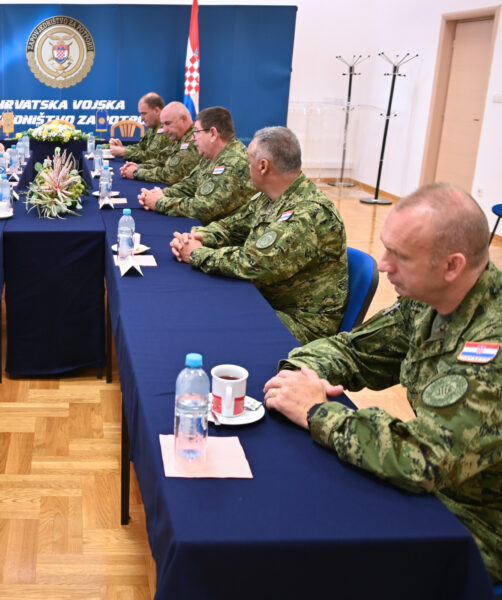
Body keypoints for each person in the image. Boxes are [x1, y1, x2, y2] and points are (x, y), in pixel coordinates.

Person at [263, 183, 502, 583]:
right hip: (431, 489)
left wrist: (317, 410)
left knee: (312, 550)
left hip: (475, 525)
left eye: (400, 256)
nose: (385, 264)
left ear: (452, 266)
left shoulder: (492, 344)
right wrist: (302, 372)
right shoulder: (428, 301)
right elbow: (355, 351)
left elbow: (422, 458)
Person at [171, 126, 347, 343]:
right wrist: (199, 237)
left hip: (298, 324)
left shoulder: (308, 213)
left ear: (263, 166)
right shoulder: (269, 197)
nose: (247, 167)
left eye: (249, 161)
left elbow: (254, 265)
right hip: (264, 299)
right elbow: (231, 227)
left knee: (210, 321)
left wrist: (197, 254)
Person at [138, 106, 256, 226]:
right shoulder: (212, 155)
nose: (192, 138)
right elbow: (189, 185)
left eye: (196, 132)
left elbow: (205, 209)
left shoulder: (234, 162)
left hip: (221, 232)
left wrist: (160, 202)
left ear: (213, 133)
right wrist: (160, 194)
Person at [120, 102, 200, 185]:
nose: (164, 130)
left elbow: (171, 175)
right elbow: (162, 160)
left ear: (183, 119)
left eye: (168, 123)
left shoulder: (194, 139)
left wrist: (136, 172)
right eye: (163, 124)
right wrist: (140, 166)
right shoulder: (180, 137)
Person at [108, 92, 172, 162]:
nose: (142, 118)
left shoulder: (165, 128)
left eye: (144, 113)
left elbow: (151, 157)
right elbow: (141, 147)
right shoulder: (153, 126)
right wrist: (123, 148)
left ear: (156, 111)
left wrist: (123, 152)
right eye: (141, 114)